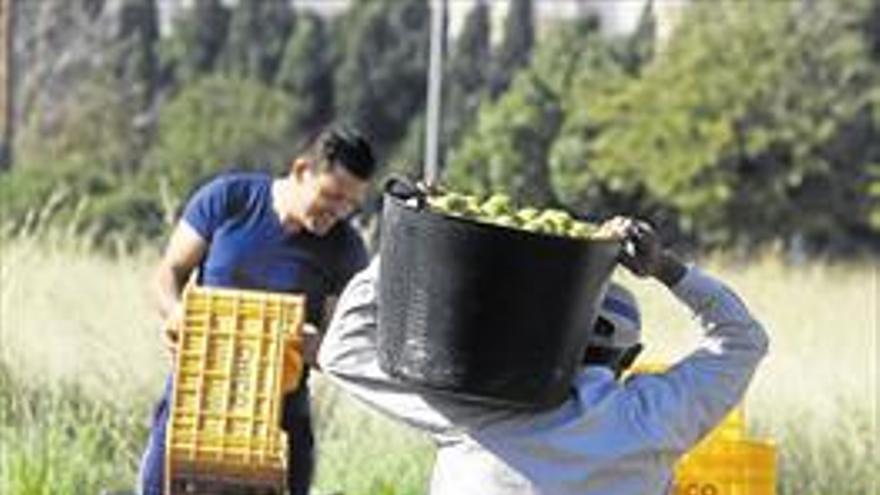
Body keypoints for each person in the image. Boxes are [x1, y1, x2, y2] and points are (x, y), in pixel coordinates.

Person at [318, 216, 769, 495]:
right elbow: (743, 339)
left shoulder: (478, 406)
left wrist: (411, 240)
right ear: (630, 356)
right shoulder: (655, 420)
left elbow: (340, 349)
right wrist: (665, 267)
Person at [137, 126, 378, 495]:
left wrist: (316, 346)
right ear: (301, 170)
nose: (338, 212)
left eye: (350, 205)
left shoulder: (345, 249)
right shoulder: (229, 199)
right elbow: (168, 273)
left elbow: (339, 342)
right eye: (331, 196)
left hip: (281, 418)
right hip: (197, 401)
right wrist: (174, 312)